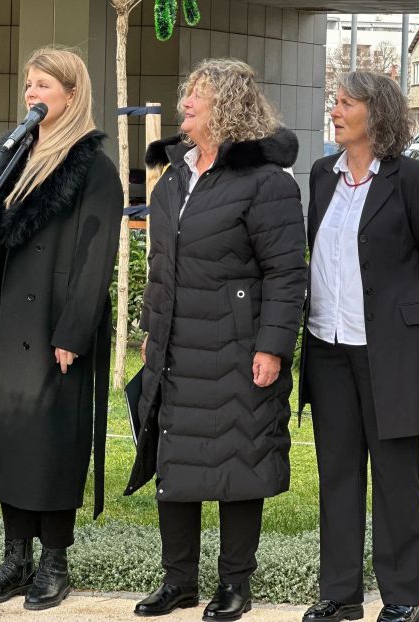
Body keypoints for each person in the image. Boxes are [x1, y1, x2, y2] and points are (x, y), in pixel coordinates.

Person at [126, 58, 307, 621]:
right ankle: (177, 581)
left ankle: (234, 583)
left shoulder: (266, 182)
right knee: (175, 459)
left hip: (237, 346)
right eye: (187, 93)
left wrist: (272, 346)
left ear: (226, 107)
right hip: (177, 344)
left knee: (239, 458)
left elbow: (286, 273)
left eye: (196, 96)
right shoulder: (175, 175)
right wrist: (151, 331)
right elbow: (161, 266)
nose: (184, 104)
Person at [0, 47, 122, 611]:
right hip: (6, 322)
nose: (32, 93)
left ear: (72, 95)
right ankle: (15, 558)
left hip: (54, 326)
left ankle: (54, 561)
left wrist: (73, 331)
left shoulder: (92, 166)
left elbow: (96, 255)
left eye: (44, 85)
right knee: (11, 435)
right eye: (29, 84)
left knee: (50, 442)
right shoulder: (16, 153)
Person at [299, 71, 419, 622]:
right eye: (335, 102)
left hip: (390, 354)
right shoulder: (323, 175)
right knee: (338, 476)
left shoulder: (414, 179)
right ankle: (340, 595)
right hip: (327, 347)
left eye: (346, 103)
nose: (335, 111)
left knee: (395, 480)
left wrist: (404, 329)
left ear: (377, 113)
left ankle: (403, 597)